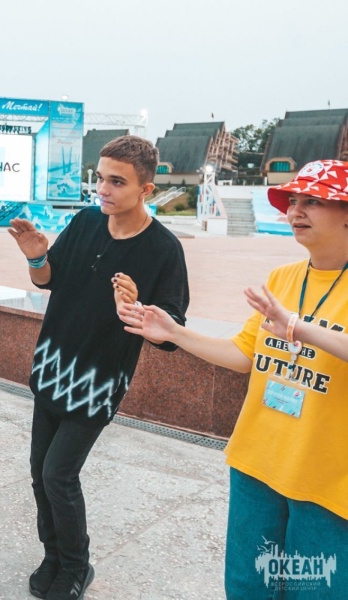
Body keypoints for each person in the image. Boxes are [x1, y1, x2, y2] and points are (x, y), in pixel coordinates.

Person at [121, 159, 348, 599]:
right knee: (247, 587)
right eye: (293, 200)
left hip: (327, 478)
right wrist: (173, 333)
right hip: (256, 462)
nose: (296, 210)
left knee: (315, 591)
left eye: (314, 201)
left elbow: (301, 332)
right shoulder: (283, 278)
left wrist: (297, 327)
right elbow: (245, 354)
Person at [8, 135, 189, 600]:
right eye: (101, 178)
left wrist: (139, 310)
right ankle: (52, 556)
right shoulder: (86, 221)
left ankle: (76, 566)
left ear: (146, 189)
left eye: (117, 182)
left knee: (59, 474)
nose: (102, 190)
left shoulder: (163, 249)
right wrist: (35, 256)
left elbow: (170, 333)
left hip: (98, 382)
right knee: (39, 472)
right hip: (52, 368)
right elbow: (49, 280)